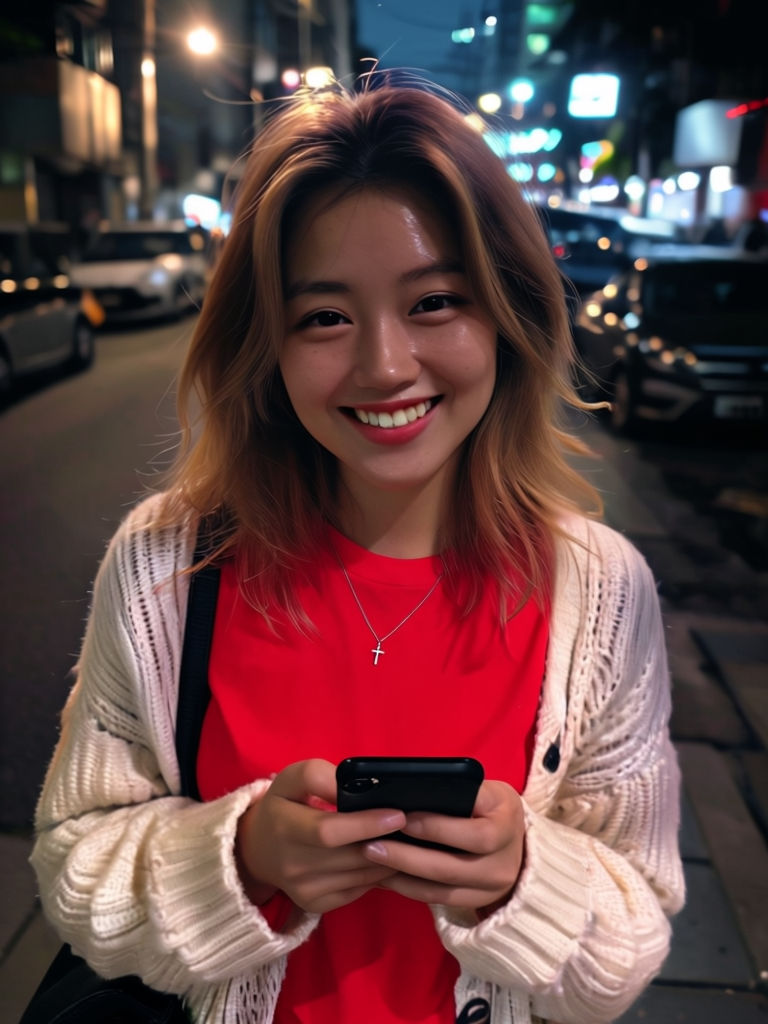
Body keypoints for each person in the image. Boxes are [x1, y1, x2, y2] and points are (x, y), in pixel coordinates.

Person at [31, 78, 684, 1024]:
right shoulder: (166, 566)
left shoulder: (604, 590)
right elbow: (73, 859)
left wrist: (521, 883)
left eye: (435, 302)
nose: (384, 365)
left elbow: (636, 924)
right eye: (326, 316)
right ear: (269, 343)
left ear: (507, 312)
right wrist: (244, 858)